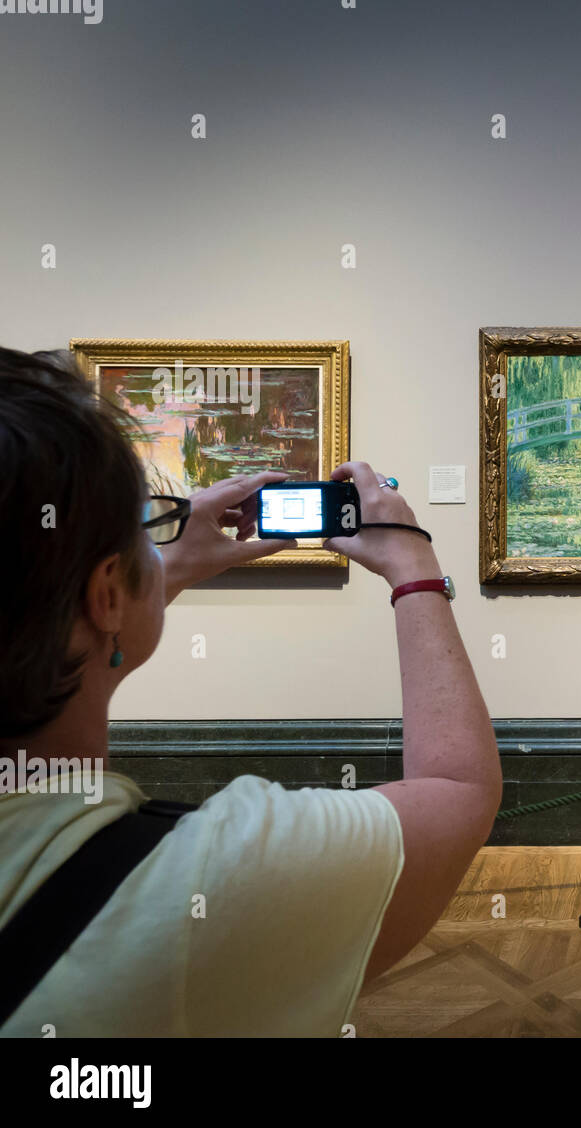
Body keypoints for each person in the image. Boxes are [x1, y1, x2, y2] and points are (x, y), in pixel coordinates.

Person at [0, 347, 502, 1036]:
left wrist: (154, 569)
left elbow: (69, 636)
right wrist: (414, 567)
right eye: (146, 523)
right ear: (105, 593)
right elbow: (458, 791)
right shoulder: (199, 885)